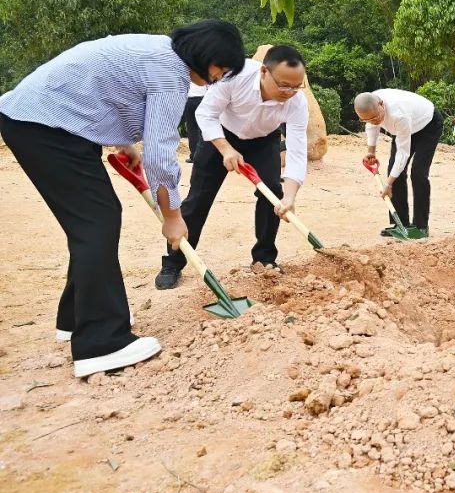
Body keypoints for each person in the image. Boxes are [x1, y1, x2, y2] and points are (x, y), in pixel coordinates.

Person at [0, 20, 246, 377]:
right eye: (220, 69)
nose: (218, 78)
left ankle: (77, 318)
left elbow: (107, 88)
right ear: (204, 55)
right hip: (44, 126)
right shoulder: (170, 73)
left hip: (39, 119)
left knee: (92, 222)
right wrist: (173, 215)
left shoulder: (159, 49)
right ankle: (101, 342)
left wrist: (123, 142)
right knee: (96, 222)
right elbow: (161, 155)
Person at [156, 45, 310, 289]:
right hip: (222, 136)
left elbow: (298, 148)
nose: (289, 92)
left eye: (296, 86)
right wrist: (225, 148)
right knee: (198, 199)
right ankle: (173, 262)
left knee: (273, 194)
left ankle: (264, 259)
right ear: (263, 72)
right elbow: (205, 114)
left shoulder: (297, 102)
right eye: (283, 85)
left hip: (264, 140)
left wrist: (290, 196)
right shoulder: (235, 76)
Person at [356, 89, 444, 237]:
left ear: (381, 104)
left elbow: (403, 153)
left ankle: (421, 227)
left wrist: (388, 184)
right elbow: (372, 126)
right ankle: (401, 224)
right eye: (367, 119)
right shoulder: (370, 107)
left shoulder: (399, 114)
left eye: (376, 117)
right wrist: (371, 152)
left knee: (418, 173)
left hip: (428, 124)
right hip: (405, 127)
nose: (374, 121)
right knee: (394, 171)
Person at [185, 82, 206, 163]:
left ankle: (194, 156)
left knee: (192, 129)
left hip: (189, 100)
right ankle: (203, 156)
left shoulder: (185, 70)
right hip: (203, 99)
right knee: (203, 129)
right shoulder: (205, 70)